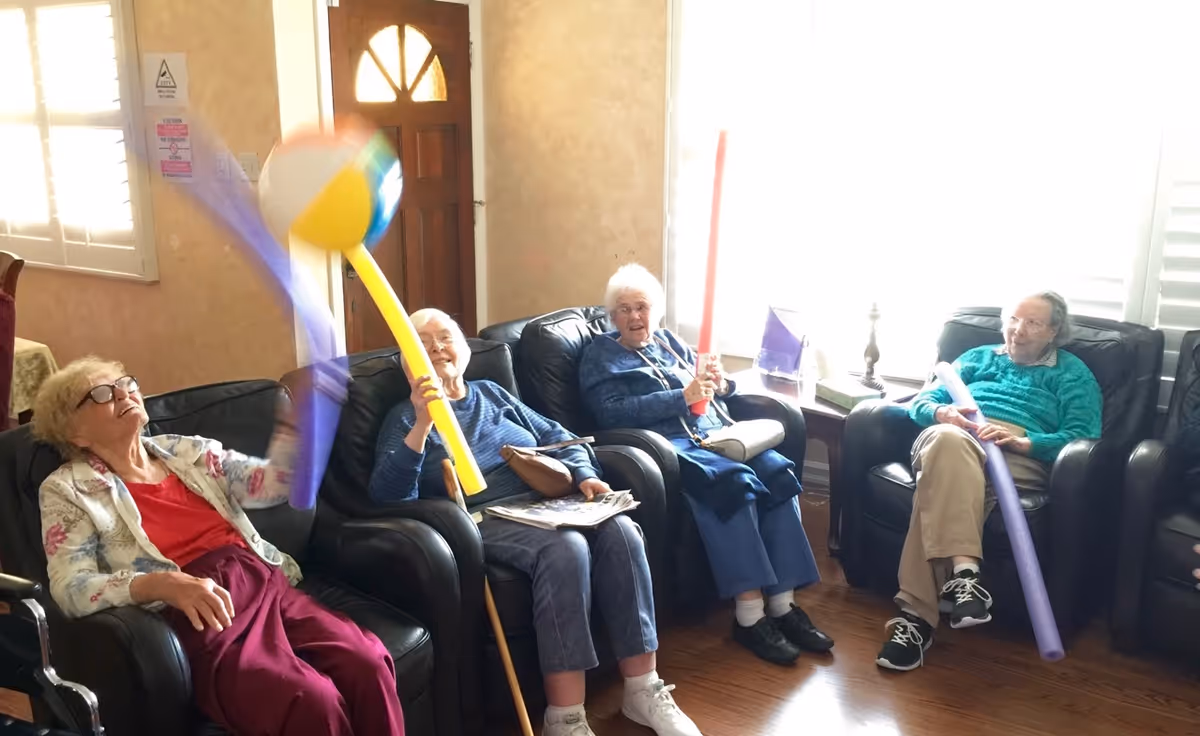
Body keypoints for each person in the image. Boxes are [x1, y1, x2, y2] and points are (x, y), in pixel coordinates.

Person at [368, 308, 703, 736]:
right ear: (406, 362)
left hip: (545, 505)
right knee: (565, 548)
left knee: (620, 529)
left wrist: (586, 476)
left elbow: (559, 437)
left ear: (464, 349)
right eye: (421, 341)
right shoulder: (403, 417)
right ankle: (564, 719)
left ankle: (642, 689)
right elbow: (388, 496)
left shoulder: (492, 394)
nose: (435, 347)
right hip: (484, 519)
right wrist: (422, 423)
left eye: (445, 336)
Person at [34, 357, 405, 735]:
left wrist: (297, 429)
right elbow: (70, 587)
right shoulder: (68, 490)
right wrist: (161, 584)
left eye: (126, 383)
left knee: (368, 661)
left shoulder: (186, 451)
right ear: (74, 433)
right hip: (201, 613)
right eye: (101, 393)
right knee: (309, 698)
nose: (123, 393)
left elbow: (272, 484)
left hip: (261, 581)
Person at [577, 264, 833, 667]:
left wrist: (722, 383)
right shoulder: (600, 356)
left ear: (654, 311)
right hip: (673, 444)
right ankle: (749, 617)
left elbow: (716, 388)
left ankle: (783, 605)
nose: (634, 317)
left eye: (641, 307)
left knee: (777, 473)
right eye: (623, 309)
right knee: (731, 484)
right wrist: (680, 397)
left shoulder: (669, 342)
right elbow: (609, 413)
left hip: (718, 433)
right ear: (612, 317)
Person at [874, 291, 1103, 671]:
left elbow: (1083, 434)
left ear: (1054, 331)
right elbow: (922, 401)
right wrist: (943, 412)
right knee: (948, 447)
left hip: (1015, 452)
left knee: (941, 486)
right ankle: (965, 576)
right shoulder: (975, 358)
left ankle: (916, 622)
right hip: (954, 436)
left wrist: (1026, 442)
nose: (1018, 330)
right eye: (1013, 319)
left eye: (1032, 323)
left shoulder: (1073, 374)